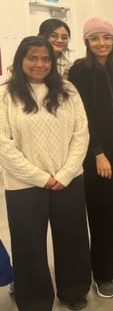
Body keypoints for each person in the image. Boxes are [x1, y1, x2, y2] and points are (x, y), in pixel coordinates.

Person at [0, 36, 91, 311]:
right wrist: (41, 178)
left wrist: (64, 174)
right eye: (33, 57)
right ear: (20, 60)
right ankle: (36, 301)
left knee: (72, 238)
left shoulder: (68, 90)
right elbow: (3, 144)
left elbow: (81, 133)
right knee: (29, 247)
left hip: (68, 180)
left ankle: (73, 291)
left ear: (53, 62)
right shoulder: (5, 93)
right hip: (23, 185)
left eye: (46, 59)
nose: (40, 64)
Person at [68, 16, 113, 299]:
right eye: (95, 38)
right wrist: (98, 152)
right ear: (87, 42)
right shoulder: (78, 72)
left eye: (106, 37)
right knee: (101, 212)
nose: (101, 43)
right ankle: (102, 274)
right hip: (96, 154)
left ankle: (111, 259)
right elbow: (83, 117)